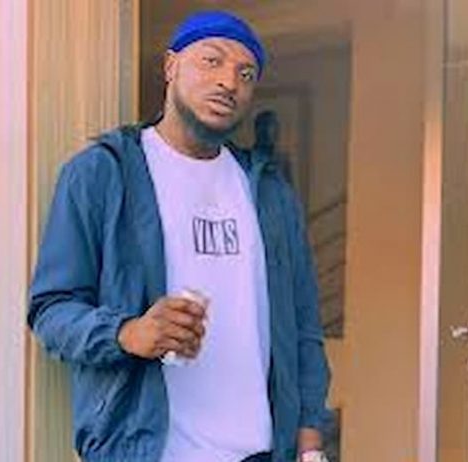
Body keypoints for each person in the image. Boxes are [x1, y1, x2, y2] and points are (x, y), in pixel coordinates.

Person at [28, 10, 330, 462]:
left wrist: (310, 444)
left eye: (245, 74)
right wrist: (126, 333)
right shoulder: (102, 174)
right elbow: (52, 309)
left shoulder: (270, 192)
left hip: (261, 453)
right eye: (212, 60)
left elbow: (304, 326)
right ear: (171, 67)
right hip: (148, 452)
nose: (229, 81)